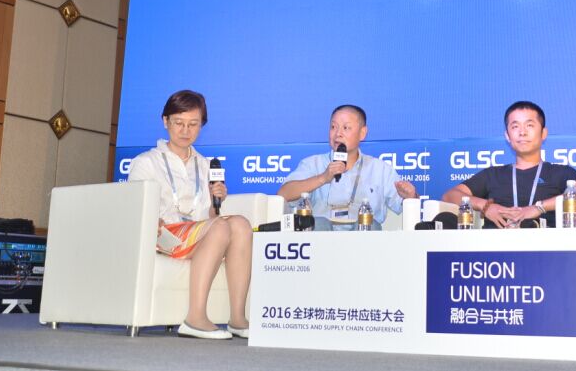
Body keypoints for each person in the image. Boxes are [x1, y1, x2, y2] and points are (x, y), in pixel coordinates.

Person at [127, 90, 252, 340]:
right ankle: (195, 317)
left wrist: (216, 201)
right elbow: (136, 206)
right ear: (165, 121)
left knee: (240, 224)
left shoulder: (205, 165)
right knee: (221, 227)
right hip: (163, 234)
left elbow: (210, 216)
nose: (185, 131)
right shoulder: (146, 162)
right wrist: (151, 220)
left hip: (198, 233)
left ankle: (238, 318)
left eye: (193, 124)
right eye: (179, 123)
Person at [442, 100, 576, 229]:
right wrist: (486, 206)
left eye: (529, 125)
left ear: (543, 133)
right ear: (507, 136)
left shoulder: (559, 172)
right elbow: (450, 195)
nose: (522, 132)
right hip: (495, 249)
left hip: (547, 248)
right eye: (515, 126)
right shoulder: (493, 174)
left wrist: (539, 207)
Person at [277, 105, 418, 230]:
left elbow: (405, 206)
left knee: (370, 225)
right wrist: (323, 178)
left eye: (346, 128)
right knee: (318, 224)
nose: (338, 134)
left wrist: (411, 197)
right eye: (333, 127)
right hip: (320, 241)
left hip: (364, 241)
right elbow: (283, 195)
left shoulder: (380, 169)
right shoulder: (313, 164)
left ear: (362, 133)